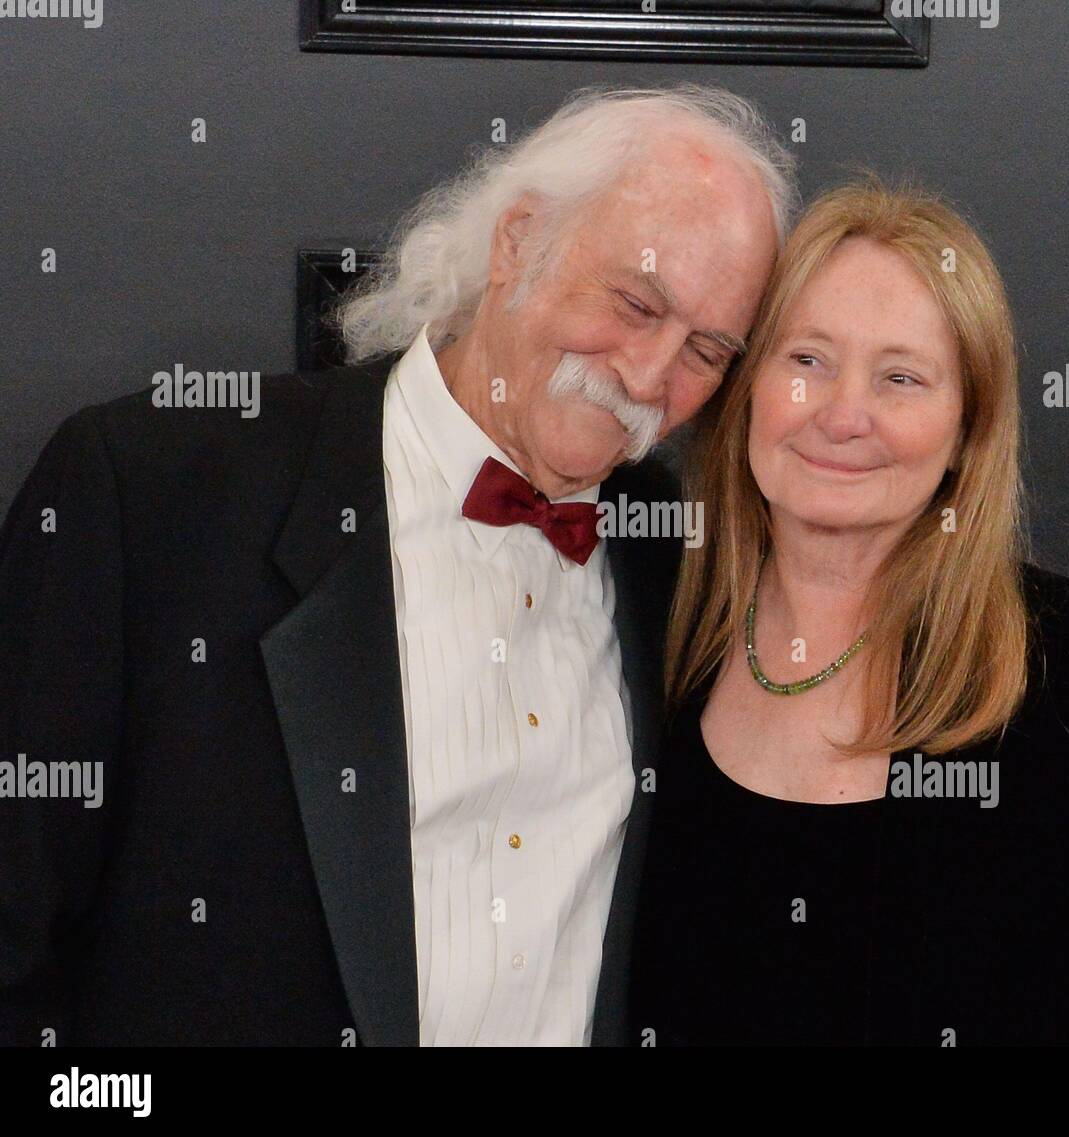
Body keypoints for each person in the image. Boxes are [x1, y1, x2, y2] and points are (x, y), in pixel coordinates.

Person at [0, 83, 797, 1046]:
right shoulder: (151, 493)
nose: (648, 376)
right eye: (635, 302)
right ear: (516, 242)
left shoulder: (681, 566)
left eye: (707, 350)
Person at [627, 174, 1069, 1046]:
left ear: (968, 430)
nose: (845, 415)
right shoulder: (648, 614)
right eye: (807, 360)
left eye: (901, 377)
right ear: (748, 389)